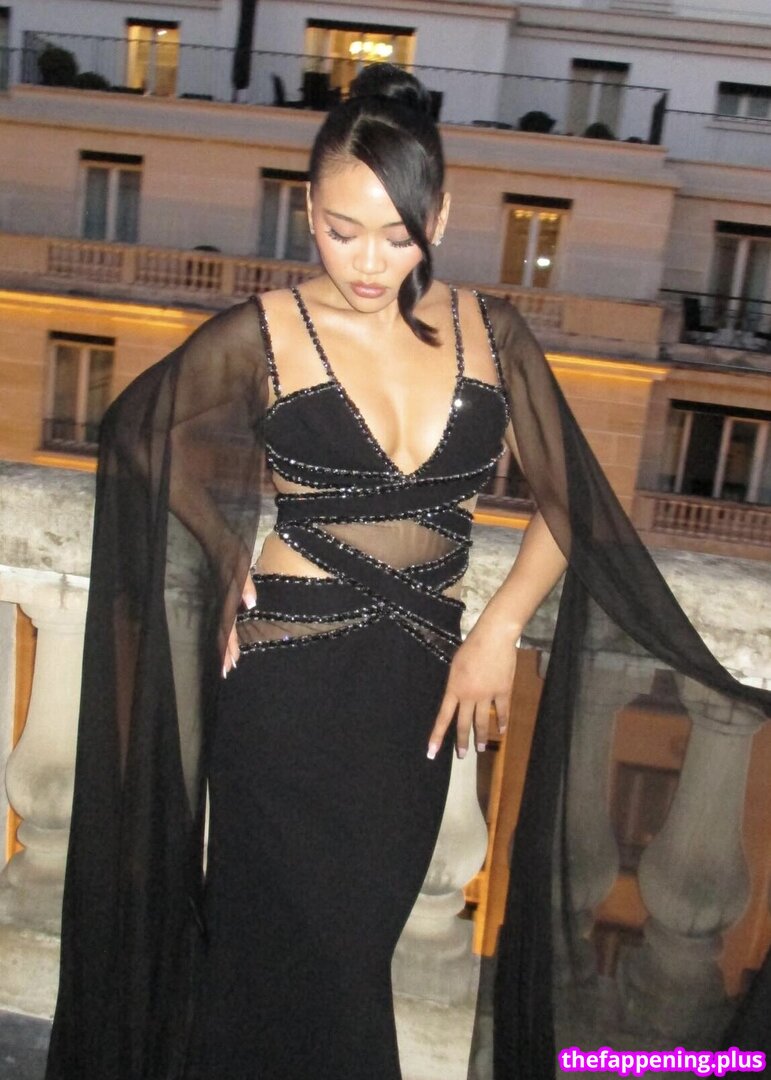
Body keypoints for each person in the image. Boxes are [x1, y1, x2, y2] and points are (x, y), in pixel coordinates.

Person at [45, 66, 769, 1080]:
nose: (369, 262)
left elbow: (571, 503)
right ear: (308, 211)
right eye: (342, 231)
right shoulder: (265, 331)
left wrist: (495, 631)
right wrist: (223, 547)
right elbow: (135, 433)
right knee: (270, 965)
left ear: (441, 215)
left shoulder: (493, 333)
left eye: (397, 234)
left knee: (349, 961)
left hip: (412, 703)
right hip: (283, 691)